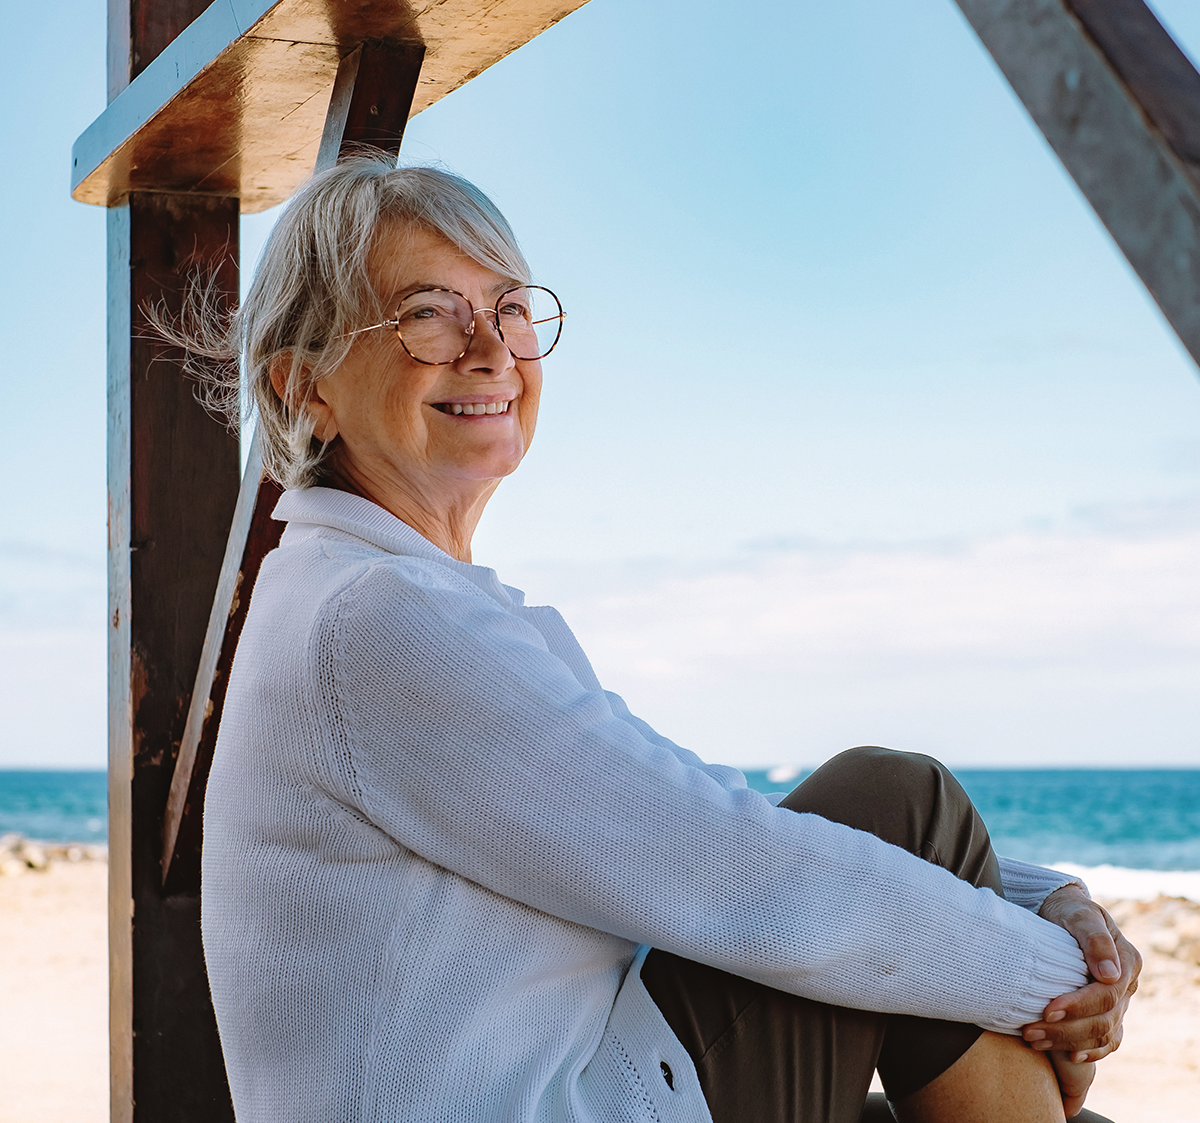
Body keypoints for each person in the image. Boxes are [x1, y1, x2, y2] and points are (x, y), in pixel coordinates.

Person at [192, 159, 1139, 1123]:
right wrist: (1055, 979)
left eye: (509, 307)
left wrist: (1028, 904)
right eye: (428, 314)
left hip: (556, 1074)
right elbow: (724, 865)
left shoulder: (367, 596)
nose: (489, 351)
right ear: (305, 387)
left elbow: (663, 825)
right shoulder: (376, 617)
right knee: (900, 799)